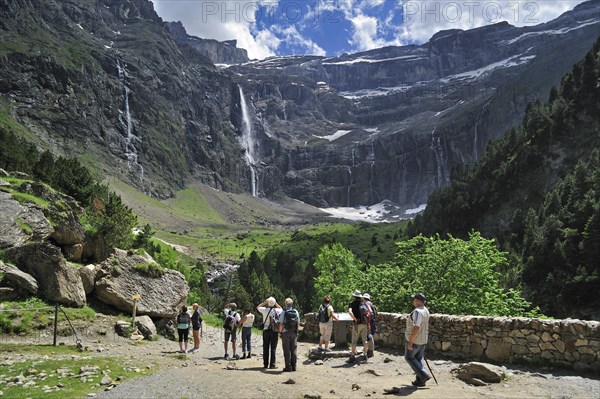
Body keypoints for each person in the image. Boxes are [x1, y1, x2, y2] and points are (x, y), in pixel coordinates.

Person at [404, 293, 431, 387]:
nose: (413, 301)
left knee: (409, 358)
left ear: (419, 301)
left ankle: (424, 375)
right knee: (419, 359)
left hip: (415, 340)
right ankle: (420, 381)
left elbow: (416, 327)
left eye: (414, 299)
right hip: (423, 339)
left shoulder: (417, 312)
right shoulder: (426, 310)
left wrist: (410, 341)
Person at [256, 296, 282, 369]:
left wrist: (264, 302)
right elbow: (281, 309)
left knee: (265, 347)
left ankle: (265, 364)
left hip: (266, 329)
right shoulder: (277, 310)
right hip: (274, 330)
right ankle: (272, 364)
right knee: (273, 347)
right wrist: (275, 303)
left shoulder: (264, 310)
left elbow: (258, 307)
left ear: (268, 303)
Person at [279, 298, 300, 372]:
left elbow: (281, 323)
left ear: (285, 304)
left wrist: (280, 332)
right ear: (292, 304)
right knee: (293, 349)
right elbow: (298, 323)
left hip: (285, 332)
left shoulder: (284, 312)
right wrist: (296, 332)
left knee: (286, 350)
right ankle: (294, 366)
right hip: (293, 332)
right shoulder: (296, 312)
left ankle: (288, 367)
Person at [348, 290, 369, 363]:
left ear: (354, 296)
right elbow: (368, 313)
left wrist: (355, 319)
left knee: (354, 341)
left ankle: (352, 356)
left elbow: (350, 312)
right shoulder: (363, 303)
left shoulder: (352, 304)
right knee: (365, 340)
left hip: (357, 324)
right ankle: (365, 354)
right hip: (364, 323)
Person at [363, 293, 378, 358]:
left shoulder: (365, 305)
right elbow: (376, 314)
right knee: (371, 335)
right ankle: (370, 350)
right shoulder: (373, 305)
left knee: (368, 336)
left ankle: (370, 351)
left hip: (368, 322)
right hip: (373, 322)